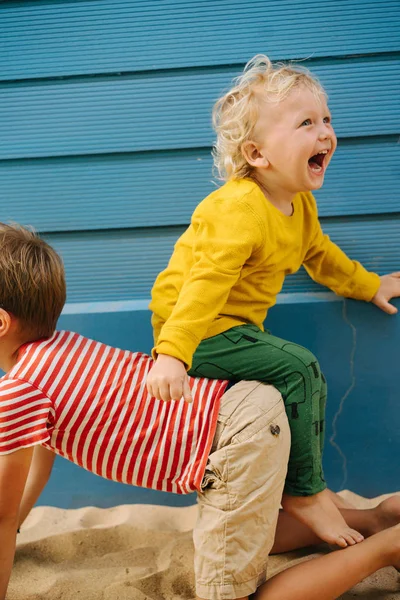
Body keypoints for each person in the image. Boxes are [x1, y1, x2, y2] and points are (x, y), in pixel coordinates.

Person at [1, 225, 400, 600]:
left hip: (233, 437)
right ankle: (375, 520)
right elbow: (38, 456)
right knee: (246, 532)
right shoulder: (58, 349)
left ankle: (386, 548)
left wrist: (8, 530)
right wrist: (18, 526)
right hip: (243, 408)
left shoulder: (19, 390)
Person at [147, 54, 400, 548]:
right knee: (300, 369)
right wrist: (173, 353)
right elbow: (204, 283)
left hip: (236, 328)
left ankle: (308, 490)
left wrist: (368, 285)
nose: (324, 132)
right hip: (195, 329)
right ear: (258, 154)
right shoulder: (239, 210)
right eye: (306, 123)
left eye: (326, 119)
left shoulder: (299, 203)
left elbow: (319, 254)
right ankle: (305, 494)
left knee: (296, 381)